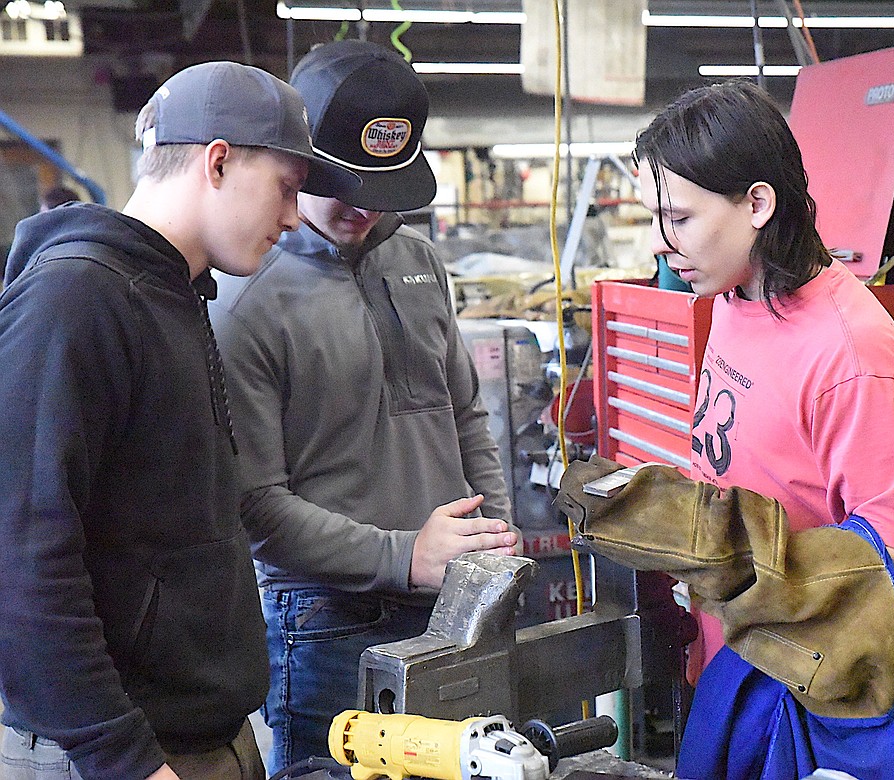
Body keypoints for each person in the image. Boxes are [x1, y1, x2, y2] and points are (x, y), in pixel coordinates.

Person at [0, 61, 358, 780]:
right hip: (113, 755)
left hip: (203, 737)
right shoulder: (77, 299)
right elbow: (22, 558)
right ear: (218, 161)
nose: (293, 218)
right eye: (286, 189)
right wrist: (120, 755)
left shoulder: (176, 292)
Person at [208, 40, 517, 773]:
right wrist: (404, 555)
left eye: (384, 186)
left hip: (453, 601)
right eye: (342, 181)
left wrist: (496, 543)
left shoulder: (418, 262)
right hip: (327, 626)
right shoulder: (243, 297)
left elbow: (465, 415)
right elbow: (255, 505)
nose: (364, 207)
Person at [633, 80, 894, 779]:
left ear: (758, 204)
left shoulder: (853, 357)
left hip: (818, 692)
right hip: (740, 657)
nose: (658, 243)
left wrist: (735, 555)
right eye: (652, 216)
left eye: (676, 217)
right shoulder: (737, 296)